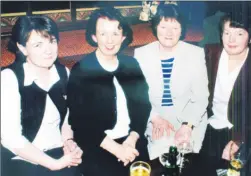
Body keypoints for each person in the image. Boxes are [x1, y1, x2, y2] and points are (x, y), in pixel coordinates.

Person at [67, 7, 151, 176]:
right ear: (94, 36)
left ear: (123, 36)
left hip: (131, 142)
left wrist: (132, 139)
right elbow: (79, 122)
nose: (110, 40)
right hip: (99, 147)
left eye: (115, 33)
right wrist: (117, 149)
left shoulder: (131, 65)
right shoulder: (81, 70)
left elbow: (143, 106)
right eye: (103, 33)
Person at [1, 16, 82, 176]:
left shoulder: (63, 73)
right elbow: (11, 138)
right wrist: (54, 164)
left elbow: (67, 119)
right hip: (21, 158)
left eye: (52, 41)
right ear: (23, 48)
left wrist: (68, 142)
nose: (48, 50)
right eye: (38, 45)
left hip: (58, 152)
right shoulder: (9, 78)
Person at [200, 11, 251, 176]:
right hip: (208, 127)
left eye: (239, 33)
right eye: (227, 33)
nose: (231, 40)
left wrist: (239, 139)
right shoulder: (209, 55)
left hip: (244, 131)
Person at [134, 4, 209, 160]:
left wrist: (187, 126)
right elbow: (136, 96)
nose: (169, 33)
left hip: (190, 119)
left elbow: (201, 97)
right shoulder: (141, 55)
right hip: (157, 120)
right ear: (155, 28)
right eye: (163, 27)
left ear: (182, 30)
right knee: (164, 158)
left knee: (187, 159)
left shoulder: (195, 54)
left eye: (175, 28)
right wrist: (154, 118)